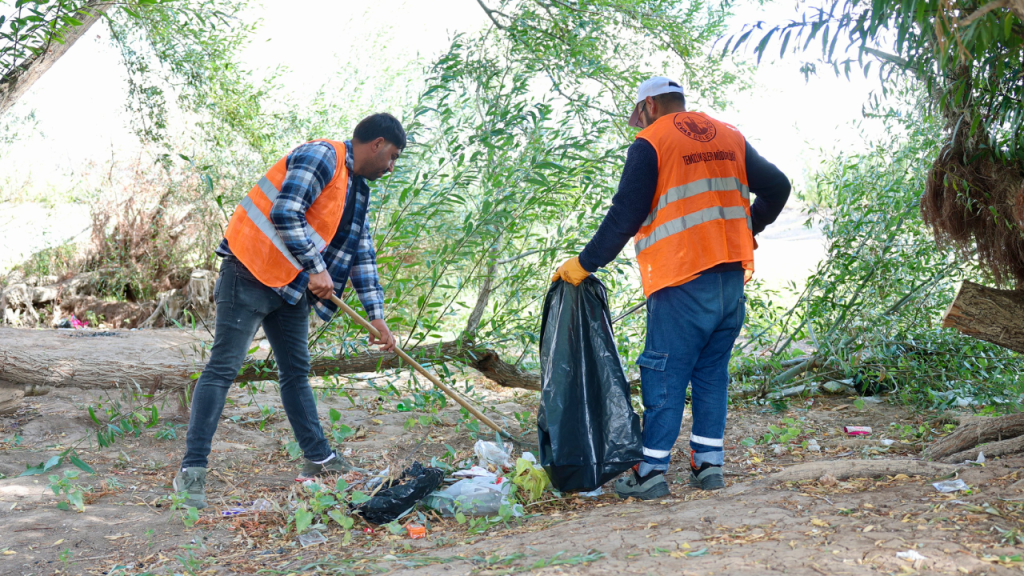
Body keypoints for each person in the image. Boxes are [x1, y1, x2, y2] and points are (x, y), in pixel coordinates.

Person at [552, 77, 790, 499]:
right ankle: (709, 465)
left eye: (638, 114)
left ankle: (650, 473)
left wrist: (583, 264)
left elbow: (625, 214)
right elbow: (778, 186)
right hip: (730, 278)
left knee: (664, 372)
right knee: (712, 373)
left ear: (648, 107)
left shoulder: (652, 142)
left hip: (682, 279)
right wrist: (746, 228)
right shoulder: (728, 135)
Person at [173, 113, 405, 509]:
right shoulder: (323, 157)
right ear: (377, 143)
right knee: (223, 368)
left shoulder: (358, 190)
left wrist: (377, 315)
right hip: (249, 272)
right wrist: (317, 269)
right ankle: (191, 470)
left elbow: (361, 252)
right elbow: (285, 211)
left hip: (290, 287)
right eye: (393, 156)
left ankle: (319, 458)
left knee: (296, 372)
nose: (391, 166)